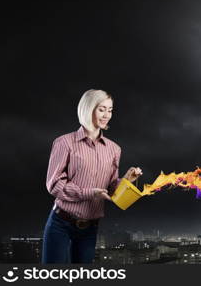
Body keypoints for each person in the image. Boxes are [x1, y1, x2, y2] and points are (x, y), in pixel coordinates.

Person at [42, 89, 142, 263]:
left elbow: (110, 189)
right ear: (88, 109)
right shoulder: (64, 142)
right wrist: (91, 192)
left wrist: (126, 180)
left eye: (110, 110)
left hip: (90, 228)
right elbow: (54, 185)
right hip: (61, 223)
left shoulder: (114, 149)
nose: (107, 115)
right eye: (101, 109)